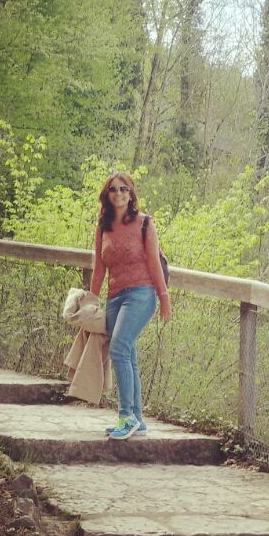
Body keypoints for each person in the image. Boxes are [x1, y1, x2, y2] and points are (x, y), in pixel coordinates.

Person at [90, 172, 172, 440]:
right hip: (115, 297)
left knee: (119, 349)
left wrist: (164, 298)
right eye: (113, 189)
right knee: (129, 355)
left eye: (124, 189)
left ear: (131, 193)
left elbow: (152, 263)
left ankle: (125, 416)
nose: (119, 193)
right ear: (107, 194)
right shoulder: (103, 227)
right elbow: (99, 268)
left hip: (141, 294)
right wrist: (92, 301)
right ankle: (137, 419)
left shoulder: (144, 223)